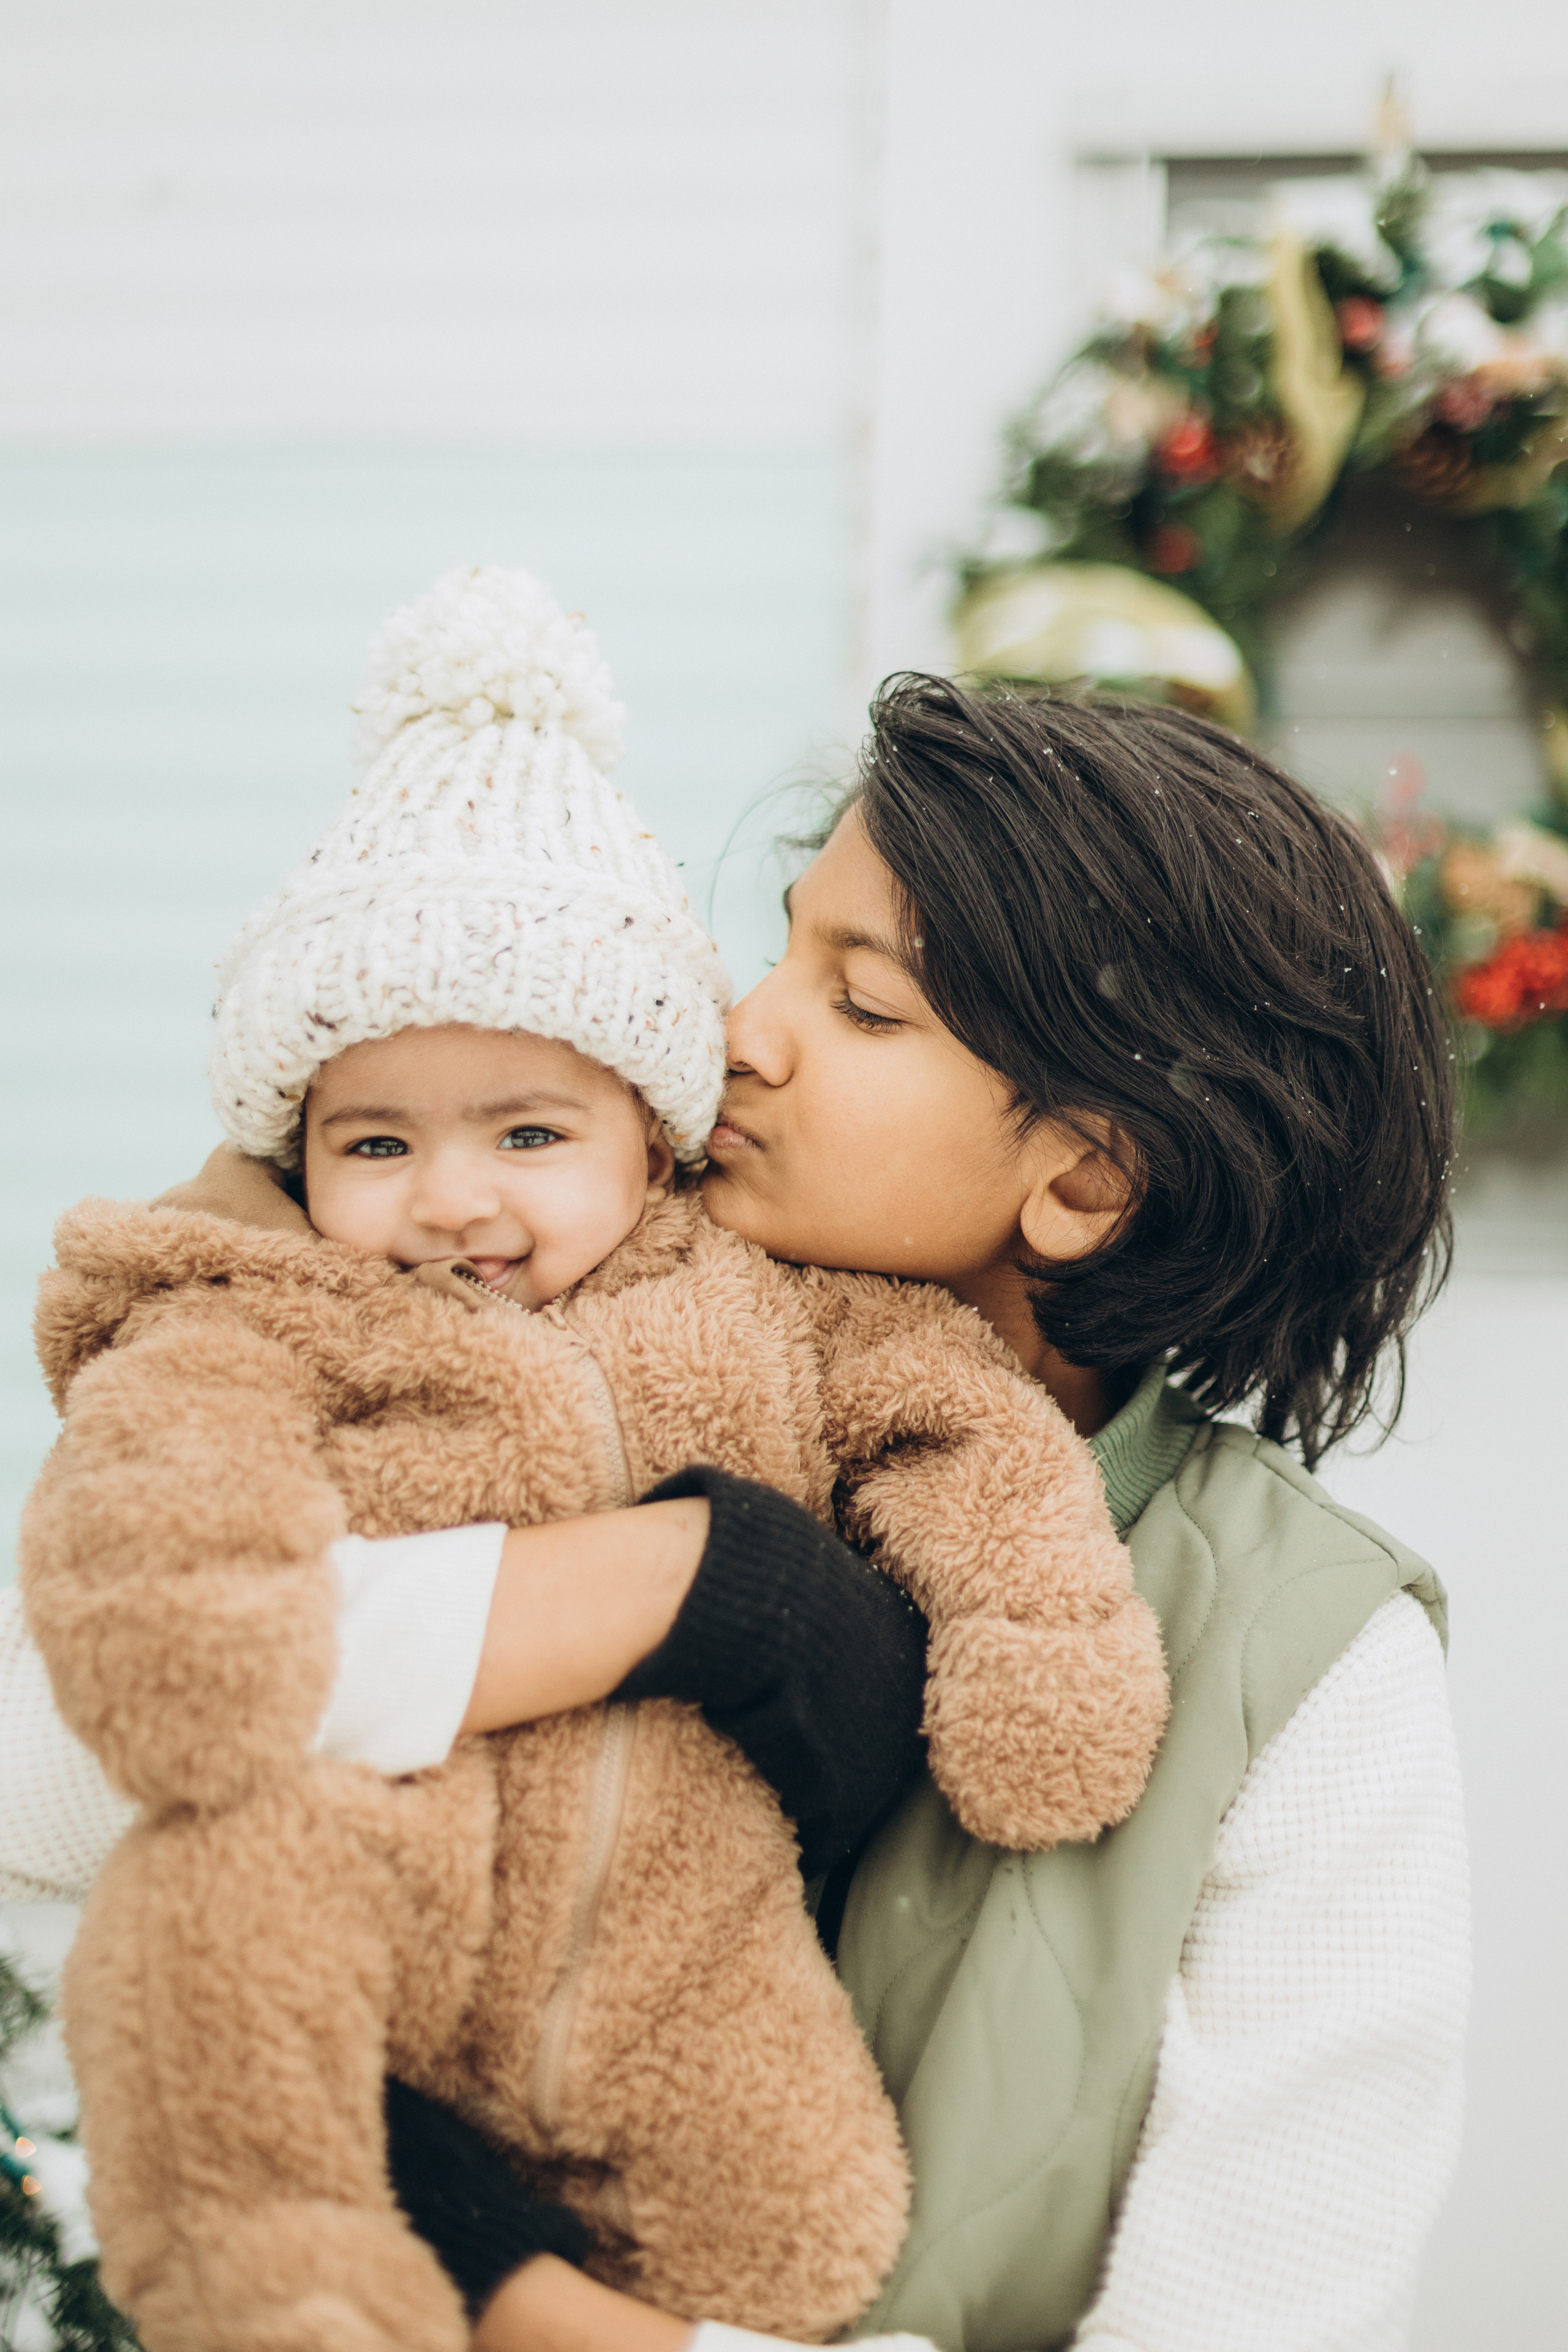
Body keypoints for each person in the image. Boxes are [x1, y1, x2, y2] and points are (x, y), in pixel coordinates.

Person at [2, 669, 1468, 2352]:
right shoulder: (516, 1304)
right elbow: (44, 1764)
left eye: (860, 1006)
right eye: (775, 946)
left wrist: (515, 2299)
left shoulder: (1313, 1669)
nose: (737, 1027)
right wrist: (678, 1580)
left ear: (1082, 1178)